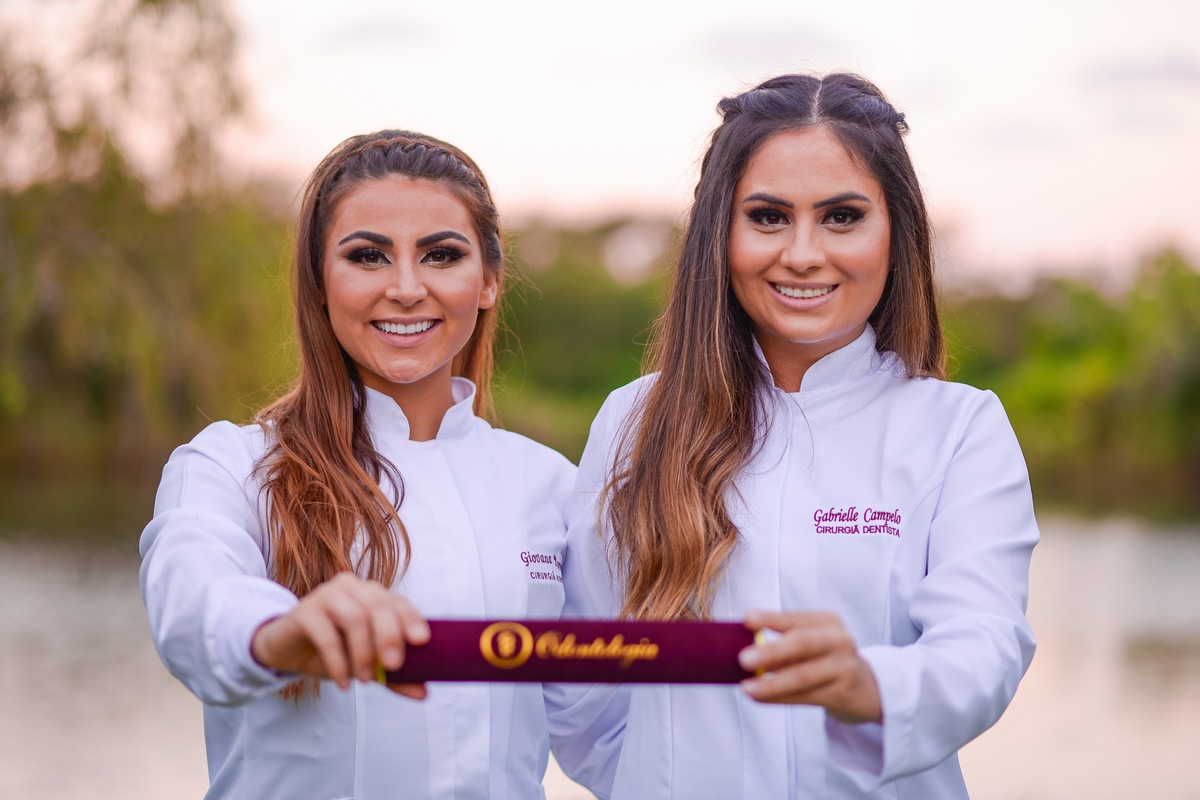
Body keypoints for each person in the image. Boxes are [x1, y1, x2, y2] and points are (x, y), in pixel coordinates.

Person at [549, 72, 1039, 798]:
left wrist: (867, 685)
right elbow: (586, 683)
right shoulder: (633, 420)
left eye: (842, 217)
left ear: (896, 234)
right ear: (720, 234)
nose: (804, 253)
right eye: (769, 217)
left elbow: (985, 645)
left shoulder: (960, 428)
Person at [139, 130, 576, 798]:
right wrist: (279, 632)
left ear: (489, 280)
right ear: (319, 282)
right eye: (368, 256)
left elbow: (607, 721)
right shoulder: (231, 466)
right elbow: (193, 608)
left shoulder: (552, 486)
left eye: (441, 255)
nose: (406, 288)